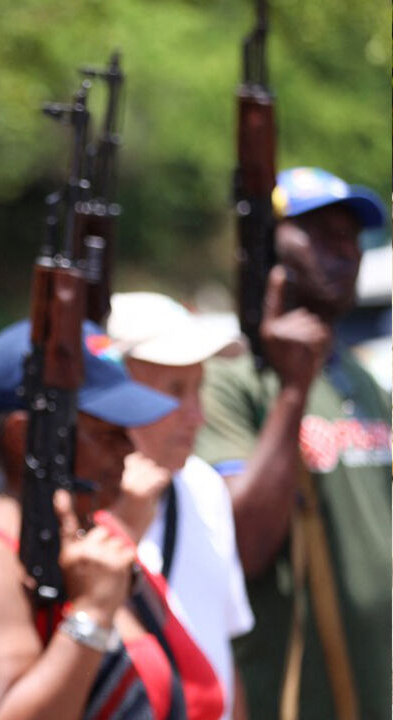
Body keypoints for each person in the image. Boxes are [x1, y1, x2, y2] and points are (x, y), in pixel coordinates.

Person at [0, 319, 225, 720]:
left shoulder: (98, 539)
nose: (127, 449)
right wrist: (91, 614)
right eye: (106, 432)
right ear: (24, 437)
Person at [194, 167, 391, 720]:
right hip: (285, 697)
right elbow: (246, 546)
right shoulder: (229, 382)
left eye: (351, 237)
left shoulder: (362, 381)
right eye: (321, 236)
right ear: (266, 250)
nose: (346, 252)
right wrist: (293, 392)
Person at [107, 292, 255, 720]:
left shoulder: (205, 487)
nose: (197, 416)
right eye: (175, 390)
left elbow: (220, 654)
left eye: (198, 388)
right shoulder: (76, 507)